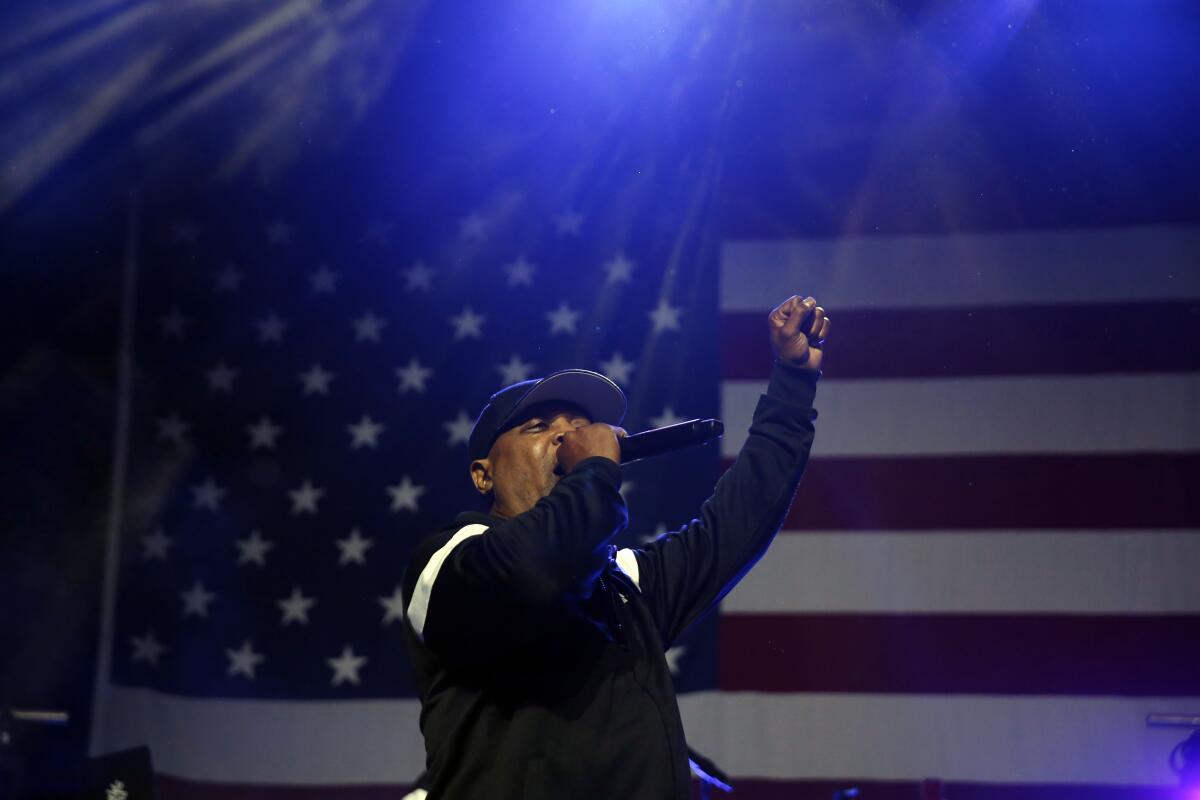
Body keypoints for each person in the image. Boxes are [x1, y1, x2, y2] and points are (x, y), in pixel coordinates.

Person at [400, 295, 830, 799]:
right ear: (482, 474)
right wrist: (594, 472)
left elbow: (738, 520)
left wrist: (794, 380)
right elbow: (540, 573)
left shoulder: (624, 583)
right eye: (539, 427)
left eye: (580, 429)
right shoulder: (451, 559)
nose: (568, 438)